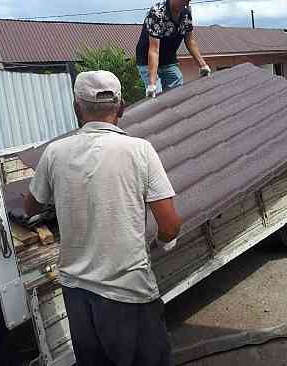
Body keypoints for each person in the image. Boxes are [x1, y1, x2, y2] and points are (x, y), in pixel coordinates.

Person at [24, 70, 182, 366]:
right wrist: (163, 244)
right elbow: (170, 224)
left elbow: (32, 207)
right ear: (121, 107)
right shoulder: (140, 151)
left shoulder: (54, 153)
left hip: (77, 295)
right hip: (129, 292)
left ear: (76, 108)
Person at [136, 0, 212, 98]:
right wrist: (152, 83)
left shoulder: (186, 14)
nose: (187, 5)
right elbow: (154, 50)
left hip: (168, 58)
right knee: (158, 94)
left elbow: (190, 41)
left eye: (189, 1)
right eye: (185, 0)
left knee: (177, 87)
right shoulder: (157, 13)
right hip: (147, 59)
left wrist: (203, 65)